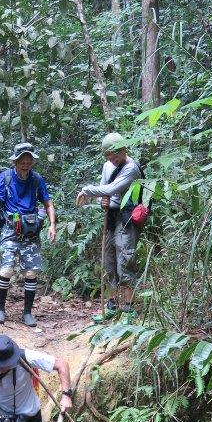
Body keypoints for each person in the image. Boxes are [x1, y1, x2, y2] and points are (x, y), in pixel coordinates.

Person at [0, 142, 57, 328]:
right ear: (15, 162)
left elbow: (48, 204)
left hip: (31, 230)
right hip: (10, 228)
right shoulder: (5, 177)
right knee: (6, 270)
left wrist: (52, 225)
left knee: (31, 273)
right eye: (22, 162)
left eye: (28, 162)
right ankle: (0, 309)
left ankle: (28, 312)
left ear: (32, 162)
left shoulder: (37, 179)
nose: (25, 165)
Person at [76, 132, 142, 312]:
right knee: (108, 261)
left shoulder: (131, 168)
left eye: (114, 155)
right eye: (108, 156)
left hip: (127, 218)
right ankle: (112, 304)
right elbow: (103, 191)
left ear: (123, 150)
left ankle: (128, 307)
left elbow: (112, 189)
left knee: (125, 259)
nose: (111, 159)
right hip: (111, 216)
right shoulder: (107, 166)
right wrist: (101, 201)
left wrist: (86, 190)